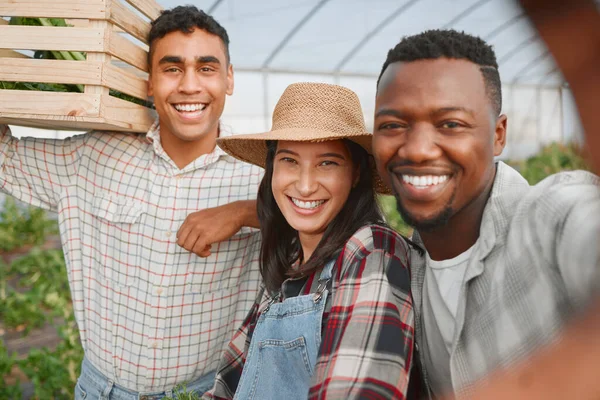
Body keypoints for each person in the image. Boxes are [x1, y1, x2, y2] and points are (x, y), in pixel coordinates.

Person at [0, 6, 263, 398]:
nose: (190, 85)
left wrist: (247, 212)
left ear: (229, 79)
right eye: (172, 68)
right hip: (99, 389)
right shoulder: (93, 155)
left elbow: (338, 226)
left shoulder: (259, 178)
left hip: (201, 392)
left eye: (206, 68)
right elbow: (5, 156)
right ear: (149, 83)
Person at [372, 28, 600, 398]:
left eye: (450, 124)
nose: (417, 150)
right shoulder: (404, 267)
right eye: (393, 125)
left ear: (498, 135)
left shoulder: (549, 216)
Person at [203, 82, 414, 400]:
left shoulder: (371, 249)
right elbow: (230, 380)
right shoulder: (290, 261)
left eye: (327, 163)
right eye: (289, 160)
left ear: (355, 172)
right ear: (272, 167)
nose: (304, 186)